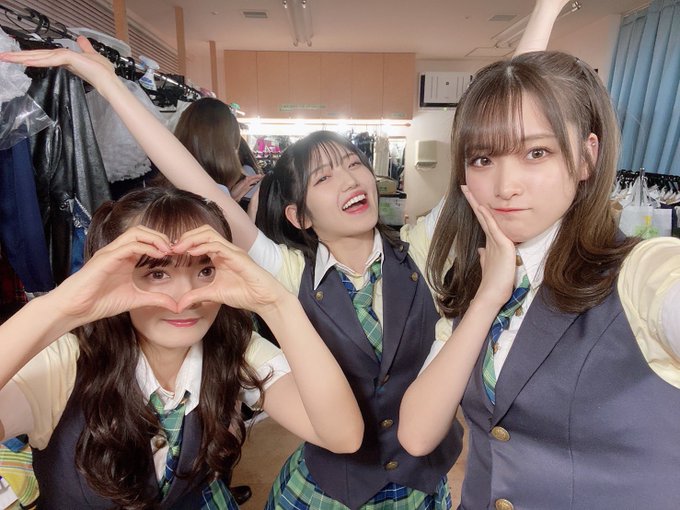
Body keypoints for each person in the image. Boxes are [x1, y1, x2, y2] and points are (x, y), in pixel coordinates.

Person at [396, 50, 680, 508]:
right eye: (482, 158)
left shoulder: (641, 270)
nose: (505, 185)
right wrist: (486, 300)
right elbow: (416, 433)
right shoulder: (477, 277)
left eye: (536, 152)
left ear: (586, 157)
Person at [0, 187, 363, 509]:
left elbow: (342, 435)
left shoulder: (233, 346)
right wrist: (61, 308)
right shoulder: (67, 360)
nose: (186, 298)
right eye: (157, 273)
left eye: (205, 271)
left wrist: (278, 304)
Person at [153, 97, 263, 204]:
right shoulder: (214, 193)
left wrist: (230, 200)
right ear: (225, 148)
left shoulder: (164, 189)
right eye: (234, 148)